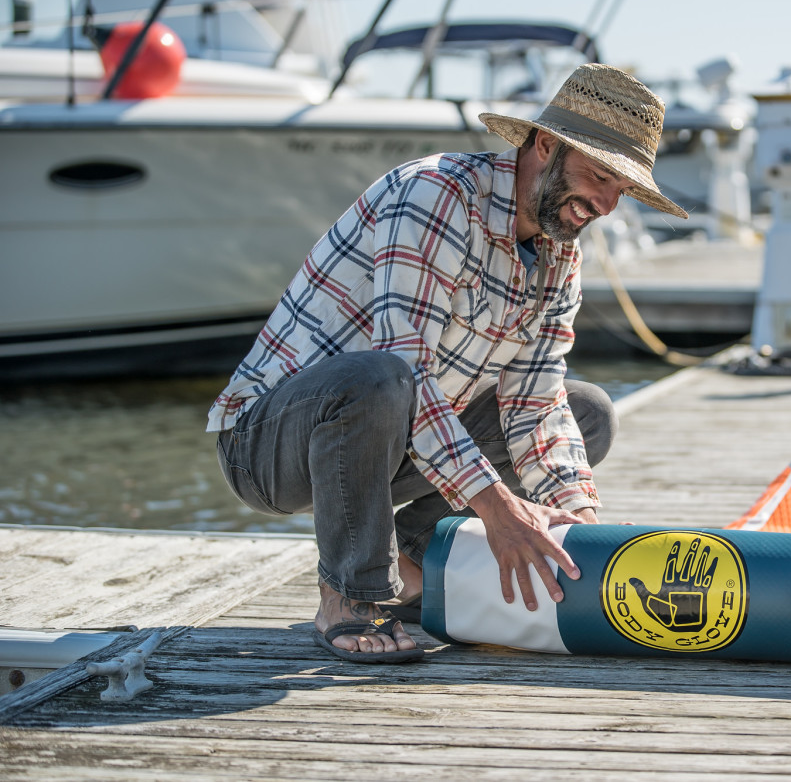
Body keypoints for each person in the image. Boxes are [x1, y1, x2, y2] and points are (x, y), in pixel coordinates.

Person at [206, 64, 688, 663]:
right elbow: (403, 366)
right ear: (545, 145)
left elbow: (536, 399)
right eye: (600, 176)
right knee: (381, 376)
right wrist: (498, 509)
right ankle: (349, 594)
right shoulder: (435, 195)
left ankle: (413, 564)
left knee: (588, 414)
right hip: (270, 446)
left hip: (394, 439)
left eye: (623, 189)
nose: (608, 204)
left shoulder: (561, 255)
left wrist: (580, 529)